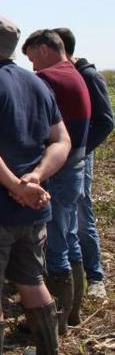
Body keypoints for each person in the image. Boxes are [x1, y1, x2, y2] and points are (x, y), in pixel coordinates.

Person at [0, 14, 70, 354]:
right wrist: (35, 178)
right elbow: (61, 140)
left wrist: (17, 184)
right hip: (32, 212)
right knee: (33, 283)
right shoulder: (37, 84)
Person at [22, 29, 91, 335]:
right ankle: (73, 312)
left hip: (59, 170)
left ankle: (56, 323)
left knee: (55, 247)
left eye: (32, 56)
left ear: (45, 49)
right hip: (74, 165)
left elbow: (37, 128)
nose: (32, 65)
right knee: (69, 237)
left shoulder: (48, 79)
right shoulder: (74, 74)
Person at [53, 27, 114, 302]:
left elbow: (105, 121)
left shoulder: (88, 75)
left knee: (81, 212)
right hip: (63, 153)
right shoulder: (64, 75)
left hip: (78, 154)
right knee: (63, 217)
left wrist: (80, 149)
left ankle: (96, 277)